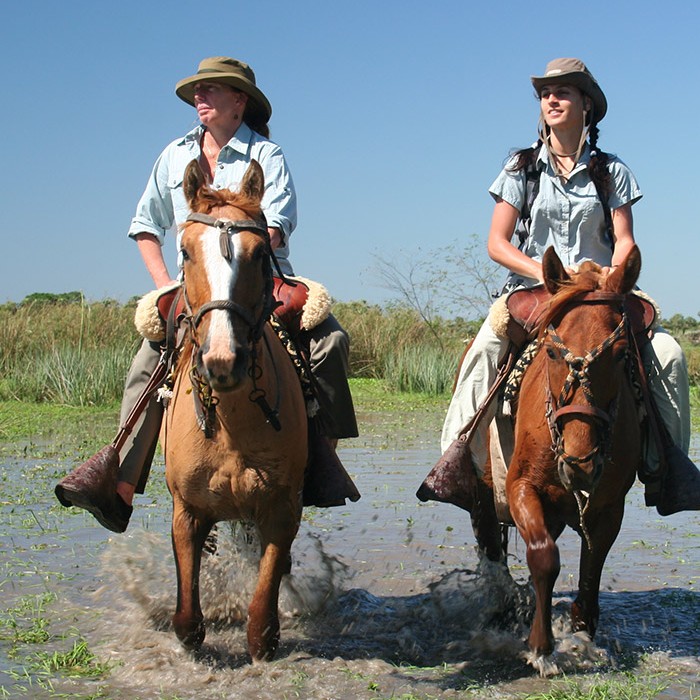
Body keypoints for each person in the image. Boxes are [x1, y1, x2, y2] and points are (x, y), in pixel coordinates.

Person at [56, 56, 359, 532]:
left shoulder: (267, 156)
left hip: (258, 277)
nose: (199, 97)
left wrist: (237, 260)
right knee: (146, 361)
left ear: (239, 100)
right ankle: (121, 482)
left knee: (329, 341)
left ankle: (318, 463)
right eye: (197, 91)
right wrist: (166, 287)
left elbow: (275, 227)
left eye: (211, 90)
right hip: (193, 285)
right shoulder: (174, 154)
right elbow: (144, 227)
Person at [418, 58, 698, 516]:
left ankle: (666, 467)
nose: (552, 98)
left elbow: (625, 241)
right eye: (546, 92)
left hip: (598, 290)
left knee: (668, 353)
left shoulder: (613, 171)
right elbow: (496, 242)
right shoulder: (521, 166)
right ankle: (457, 461)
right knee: (486, 346)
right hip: (536, 287)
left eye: (564, 91)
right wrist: (544, 272)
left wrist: (615, 274)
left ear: (586, 104)